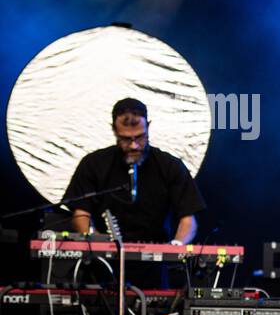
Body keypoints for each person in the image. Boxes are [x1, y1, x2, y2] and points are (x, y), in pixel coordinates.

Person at [64, 98, 204, 244]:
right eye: (125, 139)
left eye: (140, 137)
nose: (134, 146)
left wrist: (176, 245)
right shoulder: (93, 164)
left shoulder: (170, 166)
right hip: (102, 263)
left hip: (156, 262)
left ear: (148, 127)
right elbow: (80, 214)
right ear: (114, 131)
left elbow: (188, 219)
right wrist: (97, 243)